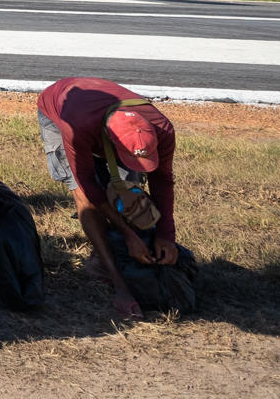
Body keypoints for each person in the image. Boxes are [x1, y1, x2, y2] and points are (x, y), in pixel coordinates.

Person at [36, 76, 178, 320]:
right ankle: (113, 276)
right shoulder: (76, 125)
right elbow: (89, 187)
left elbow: (162, 180)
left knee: (128, 195)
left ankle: (113, 252)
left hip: (100, 115)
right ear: (111, 142)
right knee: (87, 201)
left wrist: (166, 235)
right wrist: (128, 235)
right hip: (60, 112)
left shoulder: (162, 129)